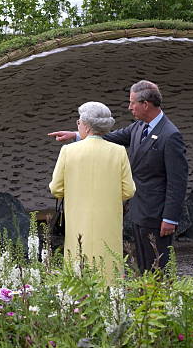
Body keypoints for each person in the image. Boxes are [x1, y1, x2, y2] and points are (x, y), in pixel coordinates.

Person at [49, 80, 188, 273]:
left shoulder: (170, 135)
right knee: (144, 267)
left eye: (132, 103)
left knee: (158, 269)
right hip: (139, 211)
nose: (129, 107)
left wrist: (170, 218)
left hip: (157, 215)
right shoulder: (139, 126)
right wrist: (78, 134)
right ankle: (147, 301)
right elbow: (107, 136)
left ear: (145, 104)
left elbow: (177, 181)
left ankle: (160, 303)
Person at [49, 101, 135, 281]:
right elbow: (128, 191)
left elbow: (56, 189)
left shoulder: (68, 151)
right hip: (109, 222)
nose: (78, 125)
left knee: (78, 268)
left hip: (78, 221)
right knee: (109, 269)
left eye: (79, 122)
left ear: (86, 127)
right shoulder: (119, 151)